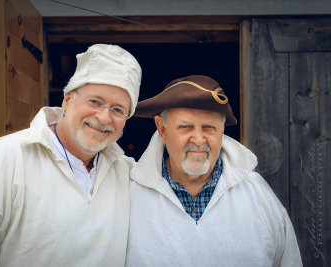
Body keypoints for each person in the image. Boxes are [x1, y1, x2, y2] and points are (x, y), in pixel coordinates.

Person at [0, 44, 142, 267]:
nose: (104, 117)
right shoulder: (5, 160)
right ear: (67, 100)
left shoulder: (127, 173)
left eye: (117, 109)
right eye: (95, 101)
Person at [125, 75, 302, 267]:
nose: (199, 140)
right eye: (185, 127)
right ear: (161, 129)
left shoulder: (257, 193)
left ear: (222, 130)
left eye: (209, 127)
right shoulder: (129, 195)